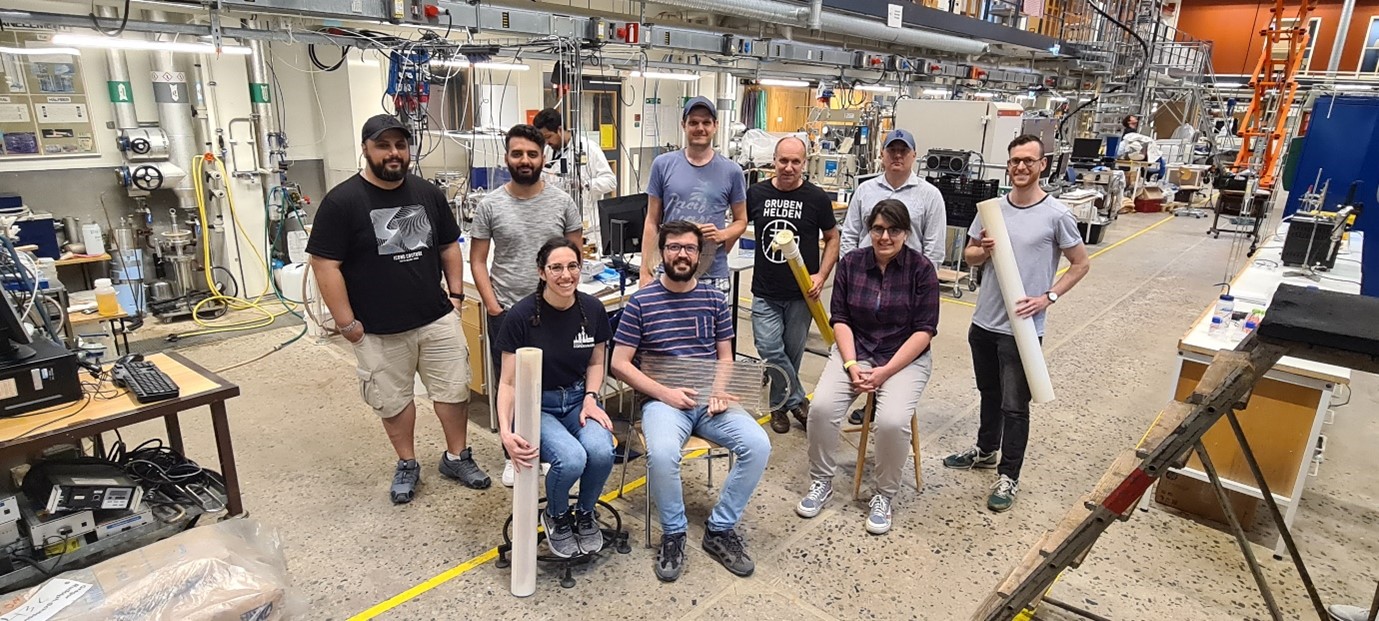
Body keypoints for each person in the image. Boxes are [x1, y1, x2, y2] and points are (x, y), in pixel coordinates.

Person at [307, 114, 490, 504]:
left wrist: (456, 297)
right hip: (377, 329)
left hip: (435, 318)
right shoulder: (342, 202)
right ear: (366, 149)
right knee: (393, 401)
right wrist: (346, 323)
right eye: (384, 145)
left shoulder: (426, 194)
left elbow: (447, 247)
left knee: (454, 391)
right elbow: (325, 264)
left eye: (400, 145)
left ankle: (457, 456)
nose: (394, 153)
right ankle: (407, 462)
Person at [611, 220, 771, 583]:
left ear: (699, 256)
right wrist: (664, 393)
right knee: (663, 453)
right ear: (661, 252)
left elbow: (725, 355)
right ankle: (674, 533)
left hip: (709, 400)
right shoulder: (641, 302)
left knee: (758, 444)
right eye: (674, 247)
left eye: (689, 248)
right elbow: (619, 364)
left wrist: (718, 389)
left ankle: (720, 528)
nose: (681, 254)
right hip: (664, 402)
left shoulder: (714, 299)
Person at [942, 134, 1091, 512]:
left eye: (1028, 160)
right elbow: (972, 256)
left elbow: (1081, 263)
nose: (1020, 167)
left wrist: (1048, 297)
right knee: (989, 393)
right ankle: (986, 449)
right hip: (984, 322)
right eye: (1015, 161)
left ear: (1042, 165)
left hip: (1022, 330)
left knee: (1015, 405)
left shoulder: (1056, 214)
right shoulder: (991, 210)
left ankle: (1009, 475)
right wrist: (982, 251)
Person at [796, 199, 939, 535]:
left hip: (903, 357)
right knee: (821, 408)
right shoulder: (851, 264)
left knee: (891, 422)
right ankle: (821, 481)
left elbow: (925, 330)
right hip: (855, 351)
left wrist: (885, 372)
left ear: (906, 232)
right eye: (877, 229)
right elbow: (840, 319)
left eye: (893, 230)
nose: (885, 236)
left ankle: (884, 495)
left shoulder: (921, 270)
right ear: (868, 230)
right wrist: (850, 363)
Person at [470, 124, 585, 487]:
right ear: (506, 157)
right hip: (508, 311)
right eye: (517, 153)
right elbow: (478, 260)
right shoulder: (490, 205)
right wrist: (493, 307)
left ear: (543, 157)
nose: (525, 160)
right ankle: (513, 453)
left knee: (550, 385)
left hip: (555, 312)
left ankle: (549, 448)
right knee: (513, 387)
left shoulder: (562, 201)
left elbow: (576, 253)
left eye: (532, 154)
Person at [496, 238, 616, 558]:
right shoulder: (520, 317)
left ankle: (585, 513)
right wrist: (506, 432)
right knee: (571, 458)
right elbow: (507, 383)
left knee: (602, 451)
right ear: (541, 272)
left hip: (578, 400)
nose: (566, 275)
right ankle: (557, 515)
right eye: (556, 268)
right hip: (538, 406)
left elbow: (595, 361)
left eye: (573, 266)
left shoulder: (592, 309)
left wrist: (591, 397)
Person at [747, 135, 839, 434]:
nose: (788, 167)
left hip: (802, 294)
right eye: (783, 160)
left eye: (795, 161)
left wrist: (821, 275)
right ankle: (799, 399)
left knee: (791, 353)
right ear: (774, 160)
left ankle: (778, 407)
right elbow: (737, 223)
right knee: (770, 348)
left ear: (805, 163)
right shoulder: (756, 193)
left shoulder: (817, 198)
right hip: (765, 291)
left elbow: (833, 238)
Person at [639, 96, 748, 293]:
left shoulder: (732, 171)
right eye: (694, 122)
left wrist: (721, 234)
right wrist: (645, 271)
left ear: (715, 126)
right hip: (669, 271)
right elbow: (652, 221)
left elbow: (741, 220)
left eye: (706, 122)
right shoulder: (662, 165)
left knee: (712, 325)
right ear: (684, 125)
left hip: (713, 275)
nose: (700, 128)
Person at [839, 129, 946, 266]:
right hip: (866, 274)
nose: (897, 155)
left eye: (904, 150)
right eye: (892, 150)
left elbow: (934, 247)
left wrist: (924, 278)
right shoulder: (864, 191)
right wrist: (851, 270)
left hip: (909, 277)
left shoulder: (930, 195)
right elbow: (849, 236)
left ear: (914, 155)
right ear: (882, 154)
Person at [533, 108, 618, 256]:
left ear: (560, 129)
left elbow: (611, 181)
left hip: (587, 227)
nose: (547, 142)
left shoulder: (588, 148)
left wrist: (585, 184)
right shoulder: (548, 151)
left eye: (549, 137)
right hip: (557, 226)